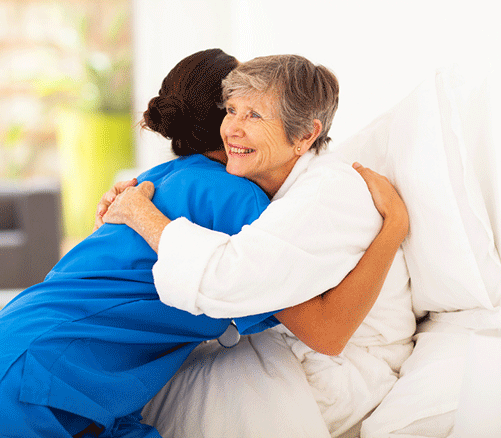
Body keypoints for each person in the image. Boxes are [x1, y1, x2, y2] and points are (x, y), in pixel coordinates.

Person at [97, 54, 416, 434]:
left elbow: (227, 279)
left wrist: (140, 213)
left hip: (343, 371)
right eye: (231, 110)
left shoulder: (324, 195)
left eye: (254, 116)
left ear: (304, 136)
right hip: (302, 343)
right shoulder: (265, 185)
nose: (231, 128)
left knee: (167, 392)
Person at [0, 49, 286, 438]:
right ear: (226, 116)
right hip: (35, 382)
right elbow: (291, 305)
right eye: (247, 107)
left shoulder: (156, 179)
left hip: (22, 365)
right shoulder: (237, 197)